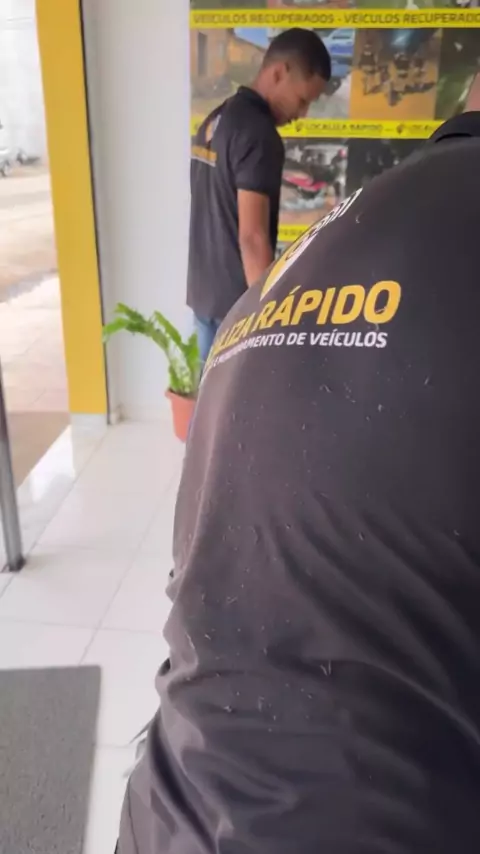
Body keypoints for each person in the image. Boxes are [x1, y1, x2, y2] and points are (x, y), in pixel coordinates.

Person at [117, 86, 480, 852]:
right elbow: (252, 229)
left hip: (167, 809)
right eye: (313, 91)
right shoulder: (261, 135)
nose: (311, 104)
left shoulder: (327, 234)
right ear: (290, 76)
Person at [187, 28, 331, 366]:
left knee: (207, 396)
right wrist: (266, 321)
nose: (302, 115)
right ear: (278, 73)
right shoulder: (259, 135)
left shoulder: (217, 118)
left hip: (203, 296)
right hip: (236, 314)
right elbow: (252, 238)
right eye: (302, 100)